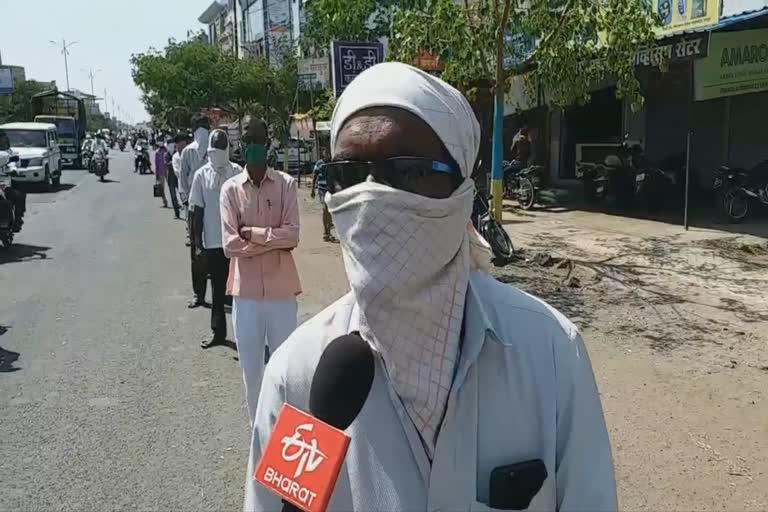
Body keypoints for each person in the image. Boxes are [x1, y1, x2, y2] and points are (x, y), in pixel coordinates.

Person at [244, 63, 616, 512]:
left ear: (464, 187)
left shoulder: (552, 353)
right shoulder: (299, 375)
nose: (371, 197)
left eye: (410, 171)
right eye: (348, 172)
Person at [220, 117, 301, 425]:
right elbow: (229, 245)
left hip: (281, 292)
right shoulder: (230, 191)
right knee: (252, 372)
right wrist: (273, 239)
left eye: (260, 140)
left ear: (268, 145)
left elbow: (293, 235)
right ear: (242, 146)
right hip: (246, 294)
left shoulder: (286, 184)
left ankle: (286, 431)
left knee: (286, 370)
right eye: (249, 140)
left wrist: (252, 233)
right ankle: (258, 431)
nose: (254, 146)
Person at [189, 129, 242, 349]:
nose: (218, 155)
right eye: (214, 151)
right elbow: (196, 212)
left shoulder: (238, 172)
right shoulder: (201, 175)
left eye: (221, 150)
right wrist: (197, 244)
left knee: (240, 294)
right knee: (218, 291)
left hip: (238, 243)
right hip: (213, 243)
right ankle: (218, 333)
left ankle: (244, 336)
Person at [180, 114, 211, 309]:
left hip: (215, 207)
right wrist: (187, 204)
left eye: (203, 126)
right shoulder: (188, 152)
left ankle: (223, 293)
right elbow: (183, 179)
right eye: (198, 127)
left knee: (220, 251)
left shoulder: (216, 150)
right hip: (195, 208)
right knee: (197, 251)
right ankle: (199, 294)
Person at [310, 149, 334, 242]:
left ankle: (329, 231)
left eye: (328, 153)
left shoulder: (332, 163)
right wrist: (312, 189)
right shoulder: (319, 163)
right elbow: (314, 176)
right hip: (322, 190)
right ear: (323, 154)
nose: (327, 155)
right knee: (325, 209)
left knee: (330, 211)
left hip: (331, 190)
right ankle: (325, 232)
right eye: (326, 153)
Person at [165, 137, 182, 218]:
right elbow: (166, 164)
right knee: (173, 196)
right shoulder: (166, 154)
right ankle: (176, 212)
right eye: (169, 144)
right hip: (170, 177)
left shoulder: (177, 153)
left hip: (178, 177)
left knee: (182, 194)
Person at [154, 142, 170, 208]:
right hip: (167, 170)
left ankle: (165, 201)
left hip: (161, 172)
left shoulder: (157, 153)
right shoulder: (167, 151)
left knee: (162, 188)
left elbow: (156, 165)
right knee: (172, 187)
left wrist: (156, 175)